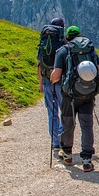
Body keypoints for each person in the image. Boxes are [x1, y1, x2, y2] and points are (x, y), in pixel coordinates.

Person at [51, 25, 99, 172]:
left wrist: (54, 80)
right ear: (80, 35)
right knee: (87, 125)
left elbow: (56, 75)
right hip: (88, 94)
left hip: (70, 95)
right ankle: (87, 158)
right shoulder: (90, 49)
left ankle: (67, 153)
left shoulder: (63, 51)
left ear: (67, 38)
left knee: (68, 123)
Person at [37, 17, 65, 155]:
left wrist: (40, 82)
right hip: (60, 81)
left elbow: (39, 64)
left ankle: (54, 142)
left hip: (47, 81)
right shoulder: (62, 42)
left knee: (51, 112)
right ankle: (64, 139)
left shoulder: (44, 42)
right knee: (64, 110)